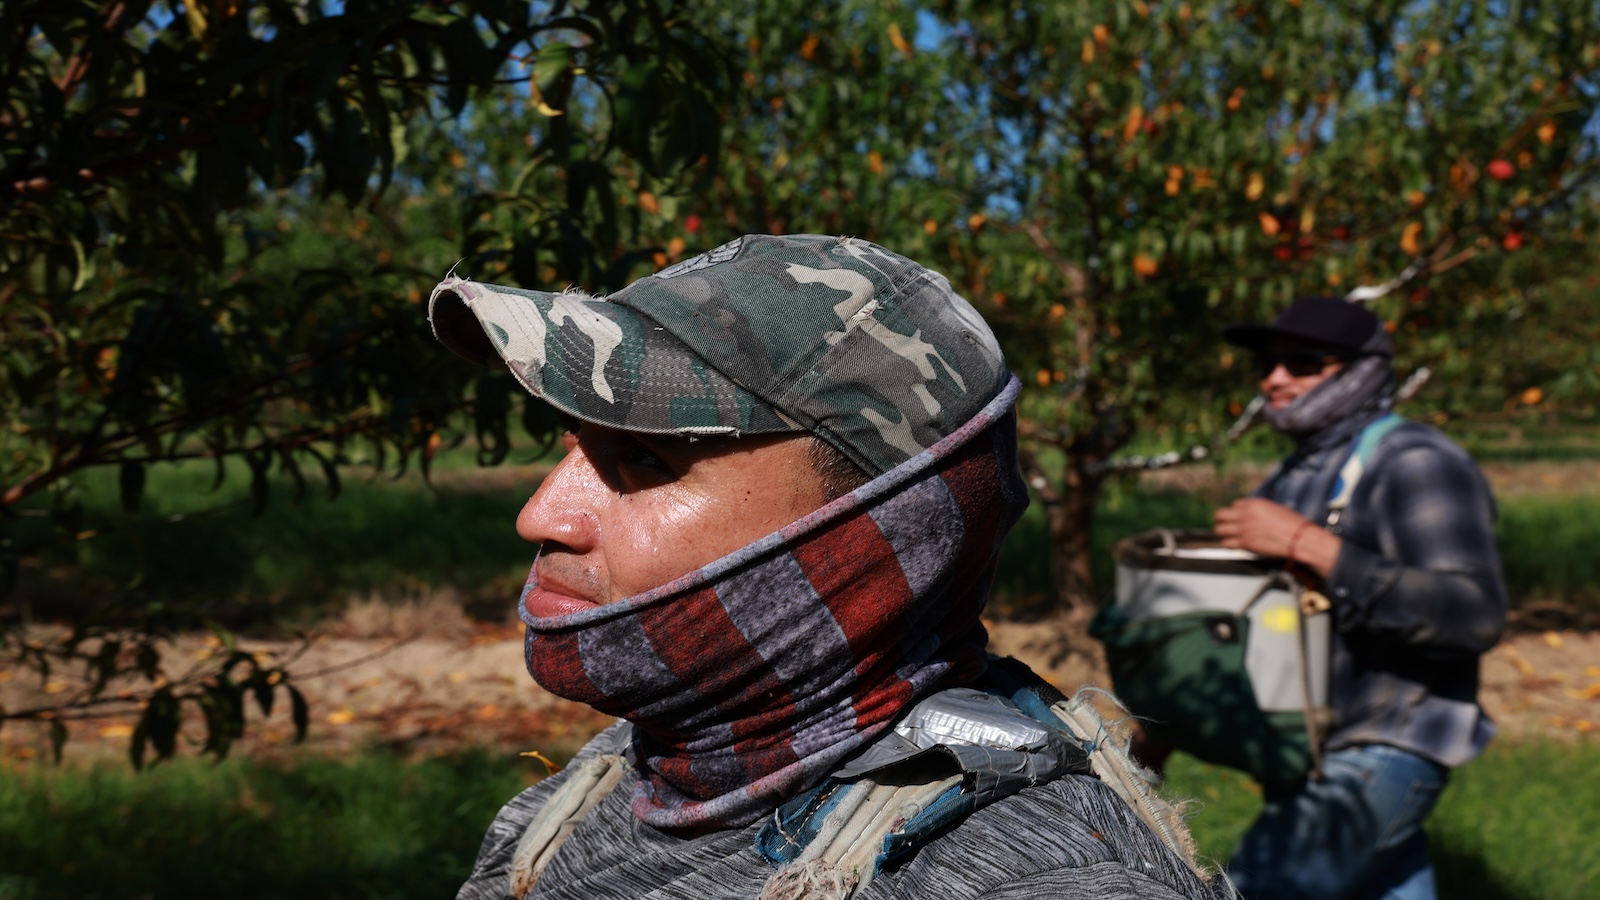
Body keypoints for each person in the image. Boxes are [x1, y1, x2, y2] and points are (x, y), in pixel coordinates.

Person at [427, 234, 1212, 900]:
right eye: (570, 442)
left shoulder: (1035, 879)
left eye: (640, 456)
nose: (541, 515)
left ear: (877, 532)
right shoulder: (608, 787)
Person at [1205, 296, 1508, 899]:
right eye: (1266, 362)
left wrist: (1311, 546)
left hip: (1383, 744)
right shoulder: (1298, 471)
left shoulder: (1416, 463)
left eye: (1304, 361)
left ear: (1364, 370)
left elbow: (1473, 613)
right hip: (1313, 749)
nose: (1274, 377)